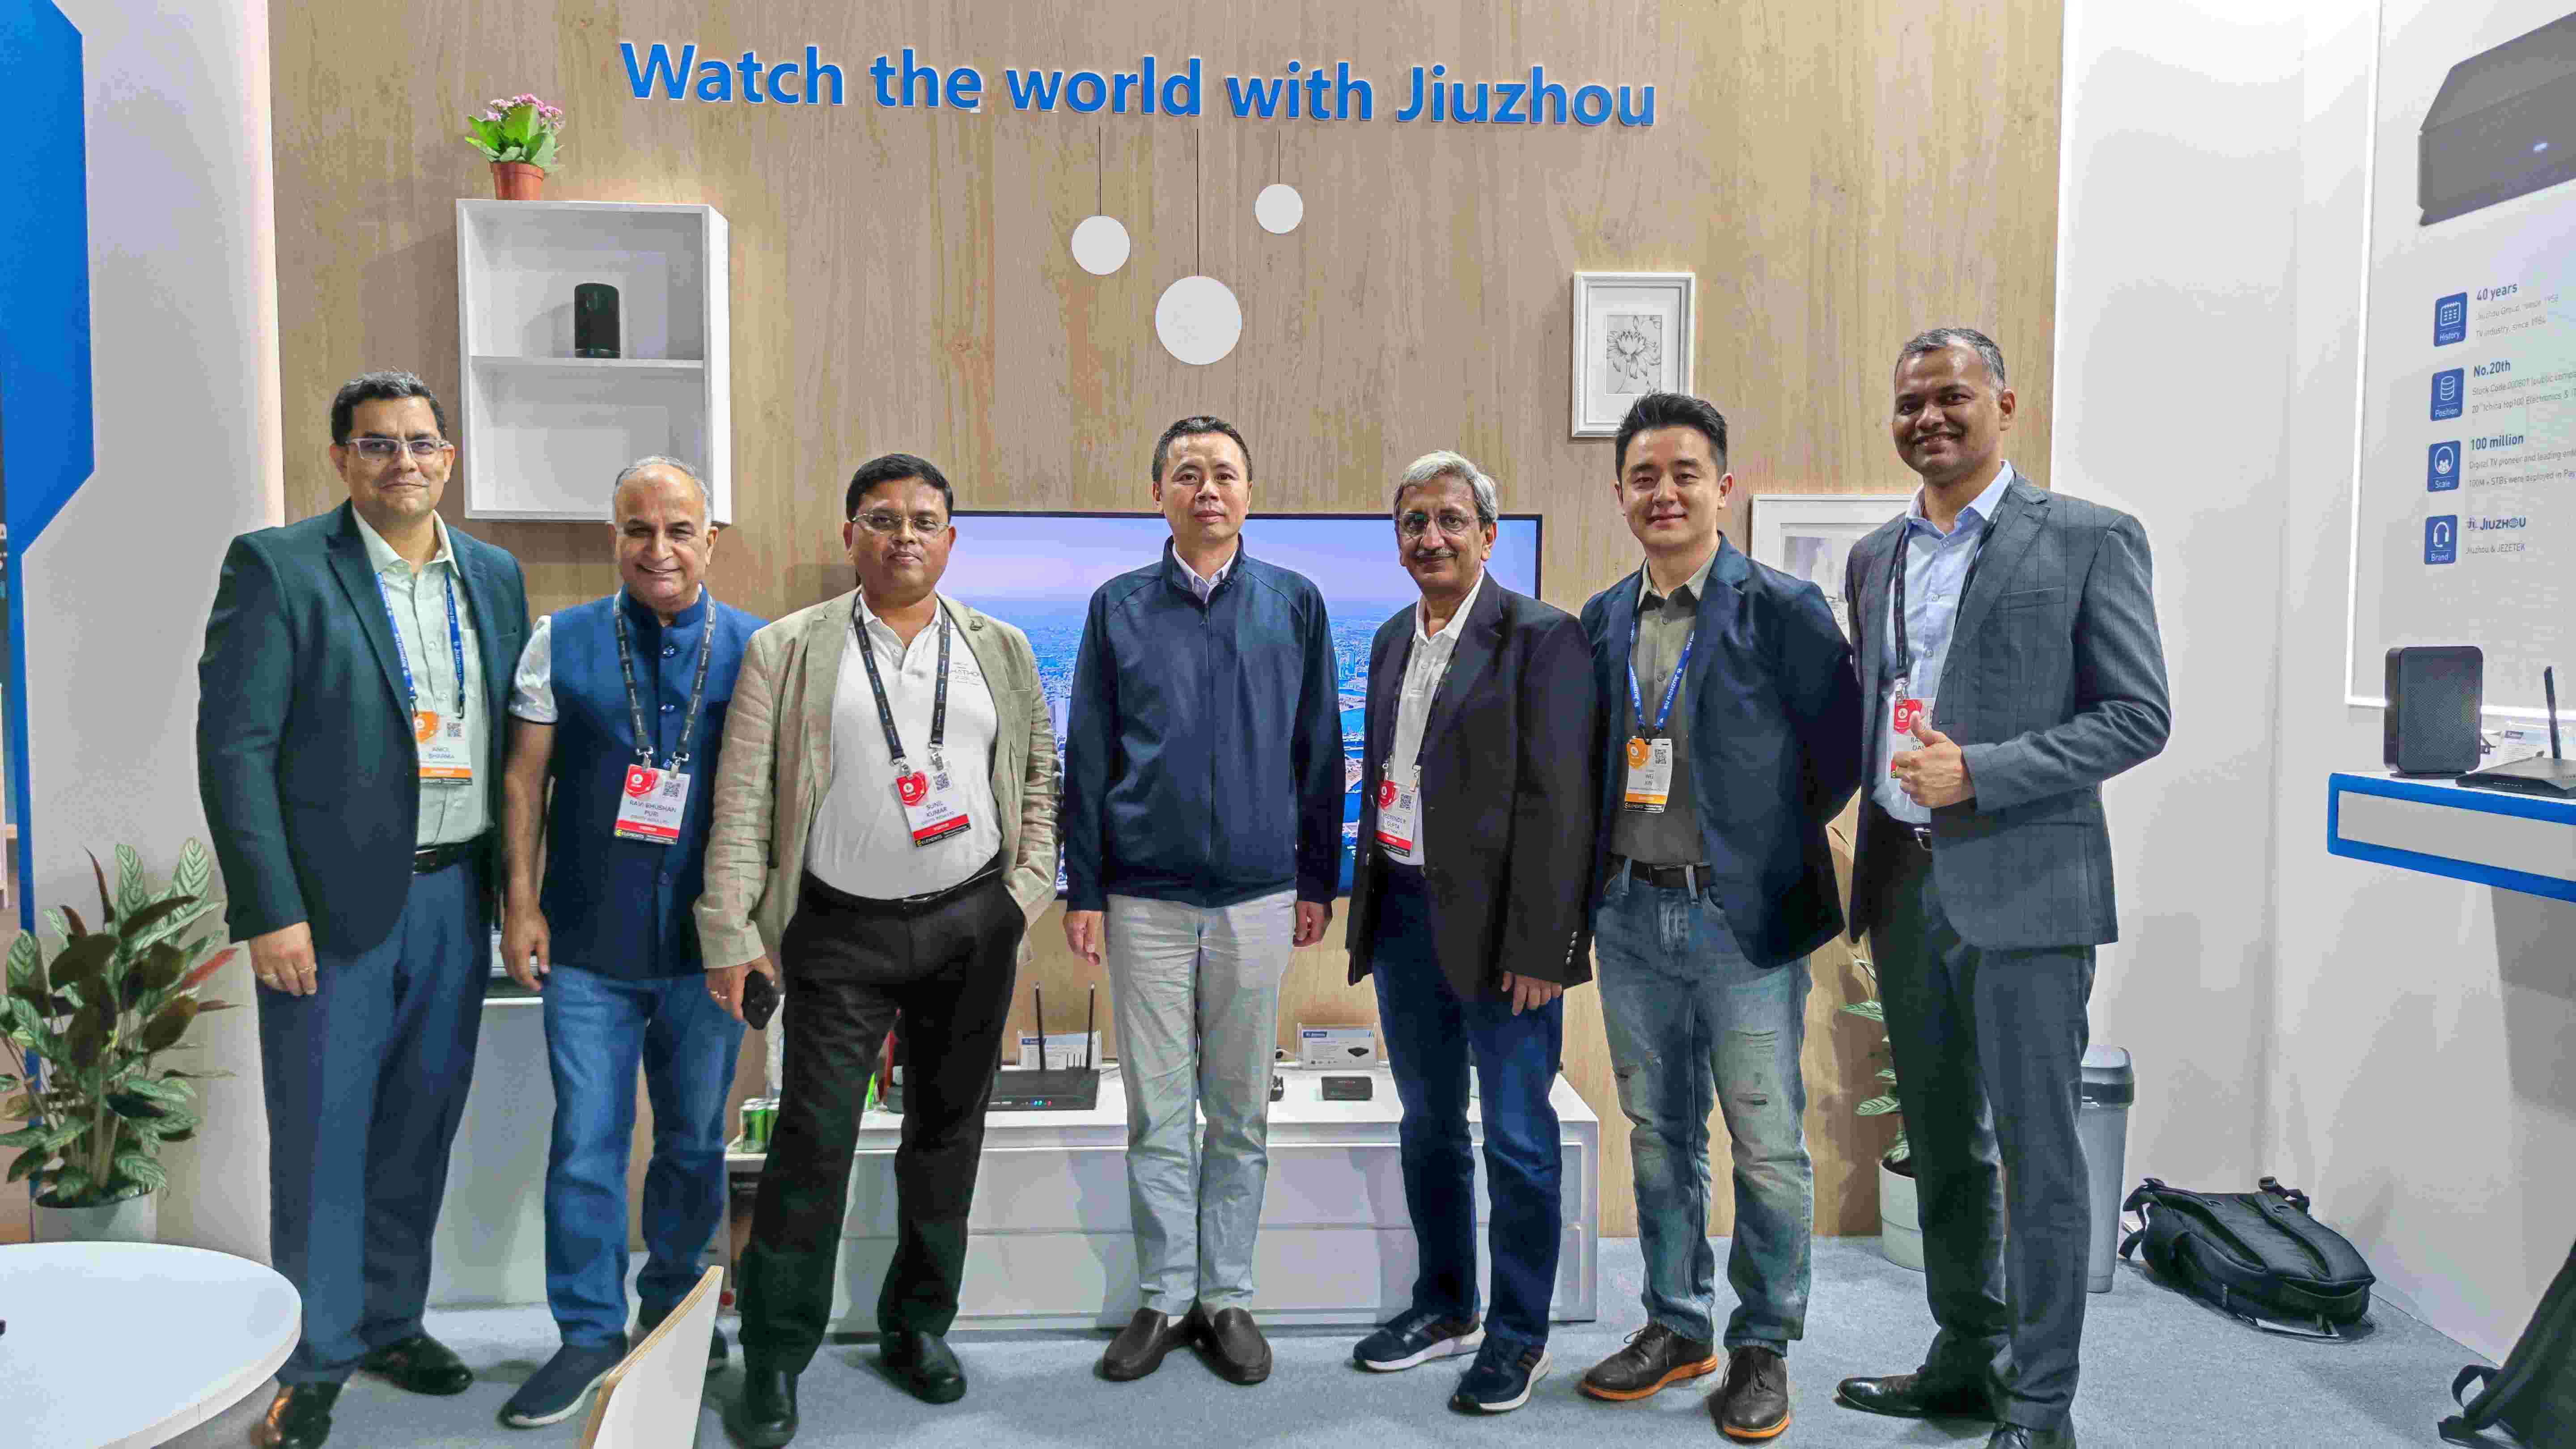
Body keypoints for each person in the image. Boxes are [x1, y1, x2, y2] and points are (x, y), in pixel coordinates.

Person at [1832, 328, 2169, 1449]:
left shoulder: (2087, 538)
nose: (1928, 418)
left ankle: (2041, 1404)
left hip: (2029, 888)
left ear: (2005, 406)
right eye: (1909, 402)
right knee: (1944, 1145)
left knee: (2040, 1157)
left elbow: (2138, 716)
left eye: (1952, 396)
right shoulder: (1875, 557)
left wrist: (1983, 771)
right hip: (1905, 885)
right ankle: (1969, 1356)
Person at [697, 453, 1058, 1447]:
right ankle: (775, 1357)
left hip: (972, 923)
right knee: (811, 1140)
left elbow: (1039, 780)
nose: (906, 536)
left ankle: (917, 1328)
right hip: (837, 930)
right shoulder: (788, 648)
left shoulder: (1001, 648)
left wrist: (1020, 898)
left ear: (951, 539)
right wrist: (731, 932)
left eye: (925, 521)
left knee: (946, 1137)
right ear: (849, 534)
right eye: (884, 519)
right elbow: (744, 802)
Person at [196, 370, 529, 1449]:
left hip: (455, 895)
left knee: (418, 1129)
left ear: (449, 458)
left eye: (421, 443)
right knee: (322, 1139)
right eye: (378, 444)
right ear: (341, 458)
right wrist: (269, 910)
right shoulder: (280, 567)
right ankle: (316, 1358)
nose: (403, 463)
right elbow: (235, 750)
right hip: (327, 912)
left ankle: (392, 1323)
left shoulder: (494, 575)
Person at [1575, 392, 1863, 1442]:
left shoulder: (1782, 608)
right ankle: (1678, 1323)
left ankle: (1764, 1342)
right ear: (1621, 495)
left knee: (1765, 1141)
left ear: (1723, 488)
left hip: (1738, 922)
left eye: (1685, 473)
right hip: (1629, 915)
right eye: (1644, 477)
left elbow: (1837, 757)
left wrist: (1752, 847)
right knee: (1658, 1135)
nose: (1665, 493)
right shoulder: (1602, 620)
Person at [1061, 415, 1343, 1386]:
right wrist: (1085, 887)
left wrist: (1317, 878)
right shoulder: (1117, 607)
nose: (1208, 489)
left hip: (1259, 897)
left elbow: (1320, 752)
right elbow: (1088, 754)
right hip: (1142, 896)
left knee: (1239, 1112)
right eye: (1188, 475)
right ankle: (1164, 1296)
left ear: (1250, 493)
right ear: (1159, 495)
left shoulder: (1294, 603)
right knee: (1155, 1114)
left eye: (1225, 473)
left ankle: (1225, 1296)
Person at [492, 457, 765, 1428]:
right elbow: (523, 781)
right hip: (587, 945)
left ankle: (674, 1312)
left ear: (710, 540)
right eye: (638, 530)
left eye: (679, 530)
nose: (659, 549)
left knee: (692, 1142)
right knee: (587, 1144)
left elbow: (779, 798)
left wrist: (763, 932)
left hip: (708, 951)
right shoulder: (558, 641)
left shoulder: (758, 648)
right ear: (615, 537)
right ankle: (587, 1334)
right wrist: (519, 905)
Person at [1343, 452, 1598, 1414]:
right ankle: (1446, 1304)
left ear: (1488, 535)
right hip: (1406, 917)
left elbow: (1562, 805)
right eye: (1414, 522)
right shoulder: (1389, 641)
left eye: (1451, 520)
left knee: (1520, 1140)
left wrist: (1544, 948)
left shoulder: (1543, 637)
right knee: (1430, 1128)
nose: (1432, 537)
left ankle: (1519, 1334)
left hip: (1504, 937)